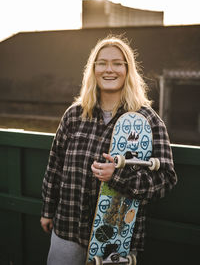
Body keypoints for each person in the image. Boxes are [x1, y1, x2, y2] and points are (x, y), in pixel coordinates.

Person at [40, 35, 177, 265]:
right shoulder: (74, 115)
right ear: (93, 70)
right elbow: (55, 166)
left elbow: (165, 177)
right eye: (102, 63)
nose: (109, 69)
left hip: (115, 240)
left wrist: (118, 176)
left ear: (127, 70)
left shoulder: (147, 120)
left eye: (117, 63)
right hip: (66, 228)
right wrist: (47, 209)